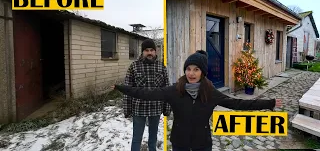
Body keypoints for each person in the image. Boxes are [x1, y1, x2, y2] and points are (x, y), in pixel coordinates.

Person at [112, 50, 282, 151]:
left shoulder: (210, 92)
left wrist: (269, 103)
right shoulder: (174, 90)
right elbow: (146, 93)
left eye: (196, 69)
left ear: (202, 72)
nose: (191, 73)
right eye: (188, 69)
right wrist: (121, 88)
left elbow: (239, 104)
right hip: (180, 143)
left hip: (203, 143)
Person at [123, 38, 172, 151]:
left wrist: (166, 109)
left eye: (151, 50)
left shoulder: (161, 67)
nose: (149, 53)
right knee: (137, 138)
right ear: (142, 52)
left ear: (155, 51)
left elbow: (167, 89)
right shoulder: (134, 66)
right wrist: (127, 109)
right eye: (146, 50)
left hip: (155, 108)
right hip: (139, 109)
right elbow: (127, 89)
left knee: (153, 138)